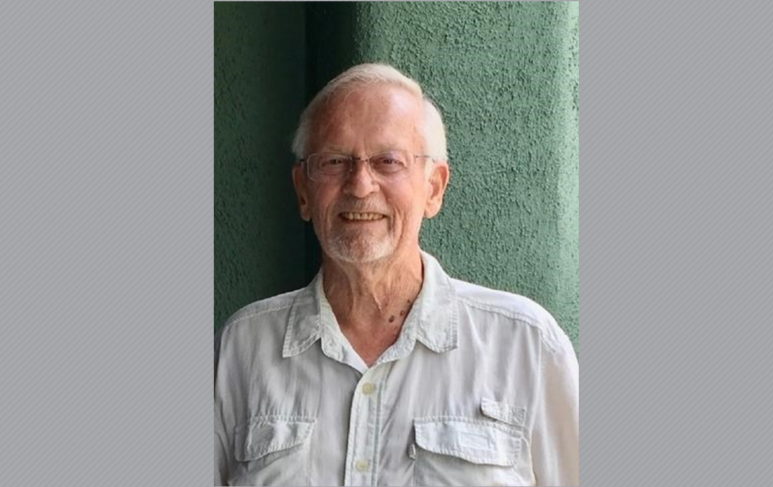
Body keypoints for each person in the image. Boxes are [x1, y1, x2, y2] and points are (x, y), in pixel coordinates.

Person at [215, 63, 579, 486]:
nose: (360, 184)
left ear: (434, 188)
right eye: (335, 161)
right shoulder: (242, 349)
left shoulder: (525, 346)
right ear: (303, 191)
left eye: (388, 161)